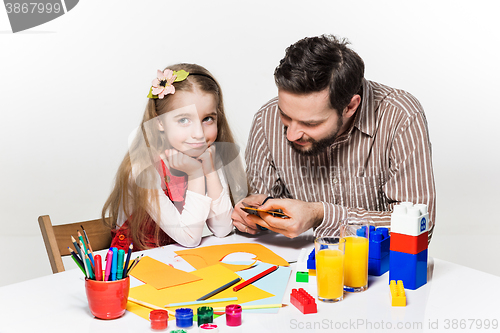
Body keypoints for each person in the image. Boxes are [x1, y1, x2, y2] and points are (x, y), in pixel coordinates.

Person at [231, 35, 436, 241]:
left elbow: (419, 229)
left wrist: (320, 214)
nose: (291, 134)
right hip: (297, 266)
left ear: (350, 107)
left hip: (380, 270)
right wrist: (251, 216)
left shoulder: (400, 116)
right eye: (285, 116)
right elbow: (258, 220)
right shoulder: (265, 119)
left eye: (310, 123)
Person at [102, 63, 245, 251]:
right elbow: (190, 238)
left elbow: (222, 229)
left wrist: (210, 173)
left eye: (207, 119)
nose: (198, 134)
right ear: (160, 121)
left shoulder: (204, 157)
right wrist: (196, 174)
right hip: (135, 267)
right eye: (184, 120)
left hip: (175, 262)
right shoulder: (143, 170)